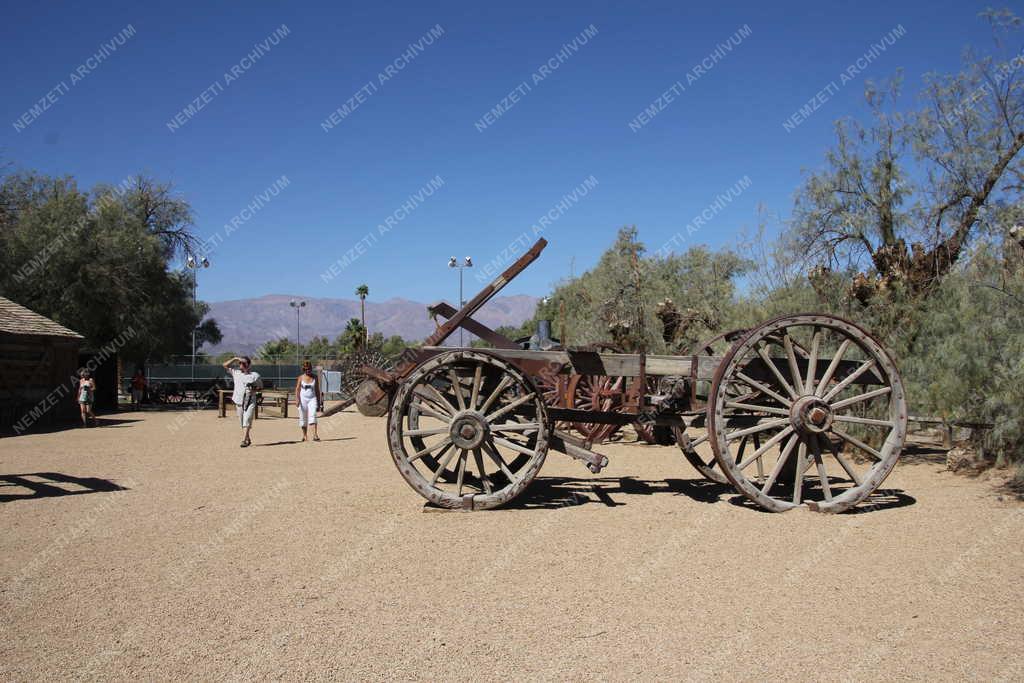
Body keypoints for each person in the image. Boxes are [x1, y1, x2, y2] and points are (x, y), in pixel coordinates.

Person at [223, 356, 261, 447]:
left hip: (250, 400)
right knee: (242, 422)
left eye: (244, 363)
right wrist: (235, 359)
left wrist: (254, 390)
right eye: (240, 363)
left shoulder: (254, 375)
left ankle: (244, 440)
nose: (241, 365)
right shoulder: (236, 373)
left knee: (247, 419)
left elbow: (260, 386)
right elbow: (224, 365)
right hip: (239, 400)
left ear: (249, 365)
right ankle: (247, 438)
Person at [294, 360, 322, 442]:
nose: (308, 370)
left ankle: (315, 435)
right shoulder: (301, 377)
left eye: (309, 369)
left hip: (312, 399)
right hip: (303, 399)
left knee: (313, 415)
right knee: (303, 417)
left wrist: (319, 402)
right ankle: (305, 436)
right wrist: (297, 399)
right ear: (303, 369)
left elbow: (317, 390)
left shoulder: (315, 377)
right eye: (306, 369)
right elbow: (297, 389)